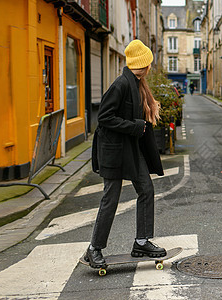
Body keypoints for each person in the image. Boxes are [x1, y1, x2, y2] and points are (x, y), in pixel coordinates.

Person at [84, 40, 166, 268]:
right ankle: (94, 249)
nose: (150, 66)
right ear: (144, 64)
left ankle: (141, 241)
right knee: (110, 198)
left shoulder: (137, 83)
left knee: (146, 189)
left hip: (130, 150)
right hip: (113, 151)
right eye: (149, 62)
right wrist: (134, 126)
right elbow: (104, 118)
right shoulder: (121, 84)